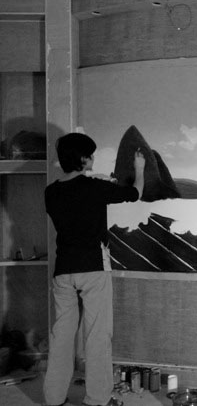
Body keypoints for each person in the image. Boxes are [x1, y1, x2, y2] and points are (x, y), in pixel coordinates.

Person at [43, 133, 145, 406]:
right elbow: (135, 194)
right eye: (90, 155)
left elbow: (74, 197)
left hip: (64, 271)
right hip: (93, 269)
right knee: (97, 335)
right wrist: (139, 169)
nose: (94, 158)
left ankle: (53, 398)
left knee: (62, 336)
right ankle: (97, 400)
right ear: (82, 158)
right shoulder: (95, 188)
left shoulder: (50, 192)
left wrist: (93, 181)